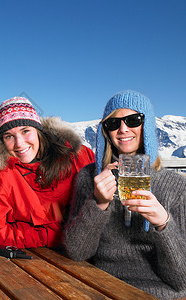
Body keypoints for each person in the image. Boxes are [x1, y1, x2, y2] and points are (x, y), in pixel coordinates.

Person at [63, 90, 186, 300]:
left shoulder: (175, 186)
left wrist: (163, 223)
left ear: (146, 125)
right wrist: (98, 203)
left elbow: (181, 278)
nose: (122, 129)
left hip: (159, 293)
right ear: (106, 132)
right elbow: (77, 252)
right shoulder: (89, 177)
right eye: (113, 124)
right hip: (101, 286)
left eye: (133, 120)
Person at [0, 97, 95, 248]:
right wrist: (50, 235)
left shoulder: (78, 156)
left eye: (25, 131)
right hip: (40, 259)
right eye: (9, 136)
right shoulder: (3, 177)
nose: (19, 143)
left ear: (38, 130)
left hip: (90, 252)